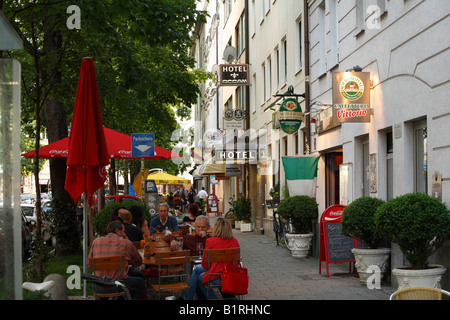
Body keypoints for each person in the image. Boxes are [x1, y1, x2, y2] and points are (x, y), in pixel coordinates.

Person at [180, 218, 239, 300]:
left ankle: (189, 297)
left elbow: (205, 265)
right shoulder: (234, 241)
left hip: (217, 276)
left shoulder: (211, 241)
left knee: (200, 276)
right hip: (231, 275)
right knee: (197, 270)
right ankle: (186, 297)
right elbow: (237, 261)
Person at [88, 220, 145, 300]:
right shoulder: (126, 243)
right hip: (118, 285)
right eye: (123, 231)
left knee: (105, 285)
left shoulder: (96, 242)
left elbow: (89, 263)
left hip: (98, 285)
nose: (124, 234)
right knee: (140, 282)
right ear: (117, 231)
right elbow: (138, 262)